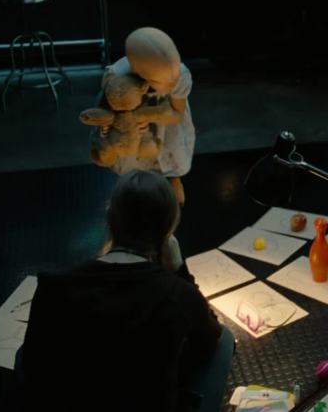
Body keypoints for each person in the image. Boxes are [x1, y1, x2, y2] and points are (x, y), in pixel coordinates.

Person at [19, 170, 233, 412]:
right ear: (167, 233)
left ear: (109, 218)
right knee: (225, 340)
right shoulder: (178, 294)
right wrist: (180, 270)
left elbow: (33, 366)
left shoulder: (54, 286)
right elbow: (211, 335)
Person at [99, 27, 196, 205]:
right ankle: (131, 184)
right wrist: (106, 123)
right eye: (161, 81)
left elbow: (177, 114)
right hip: (131, 129)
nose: (171, 84)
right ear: (139, 72)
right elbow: (107, 106)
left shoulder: (179, 76)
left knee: (171, 150)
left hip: (166, 123)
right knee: (131, 158)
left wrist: (149, 115)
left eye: (174, 76)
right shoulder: (117, 78)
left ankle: (173, 176)